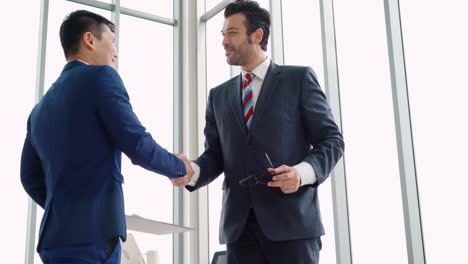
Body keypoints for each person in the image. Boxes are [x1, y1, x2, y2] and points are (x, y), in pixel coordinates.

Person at [172, 1, 344, 263]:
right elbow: (216, 155)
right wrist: (192, 171)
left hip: (292, 227)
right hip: (239, 232)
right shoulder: (218, 96)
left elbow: (332, 140)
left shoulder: (298, 80)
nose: (224, 41)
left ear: (257, 35)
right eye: (222, 34)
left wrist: (301, 173)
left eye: (232, 33)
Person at [20, 10, 193, 264]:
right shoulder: (101, 77)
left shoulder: (39, 109)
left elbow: (29, 177)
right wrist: (179, 167)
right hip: (92, 240)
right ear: (90, 40)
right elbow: (136, 142)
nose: (115, 52)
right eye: (112, 41)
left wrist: (68, 211)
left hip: (53, 241)